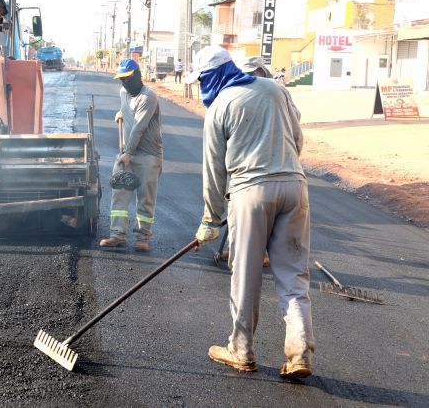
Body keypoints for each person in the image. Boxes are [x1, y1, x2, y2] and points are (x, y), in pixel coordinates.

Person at [187, 46, 314, 379]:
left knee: (246, 274)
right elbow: (297, 140)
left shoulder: (219, 108)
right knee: (293, 276)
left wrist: (211, 219)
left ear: (210, 77)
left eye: (201, 80)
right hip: (294, 186)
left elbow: (213, 172)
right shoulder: (276, 89)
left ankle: (241, 350)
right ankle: (300, 353)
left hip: (250, 193)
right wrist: (280, 166)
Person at [99, 58, 163, 253]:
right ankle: (118, 235)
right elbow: (129, 109)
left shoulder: (148, 97)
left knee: (145, 197)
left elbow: (139, 128)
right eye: (121, 79)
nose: (124, 83)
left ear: (138, 76)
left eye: (127, 79)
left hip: (148, 155)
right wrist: (121, 112)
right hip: (127, 153)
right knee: (119, 193)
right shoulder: (123, 93)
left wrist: (128, 152)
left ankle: (143, 237)